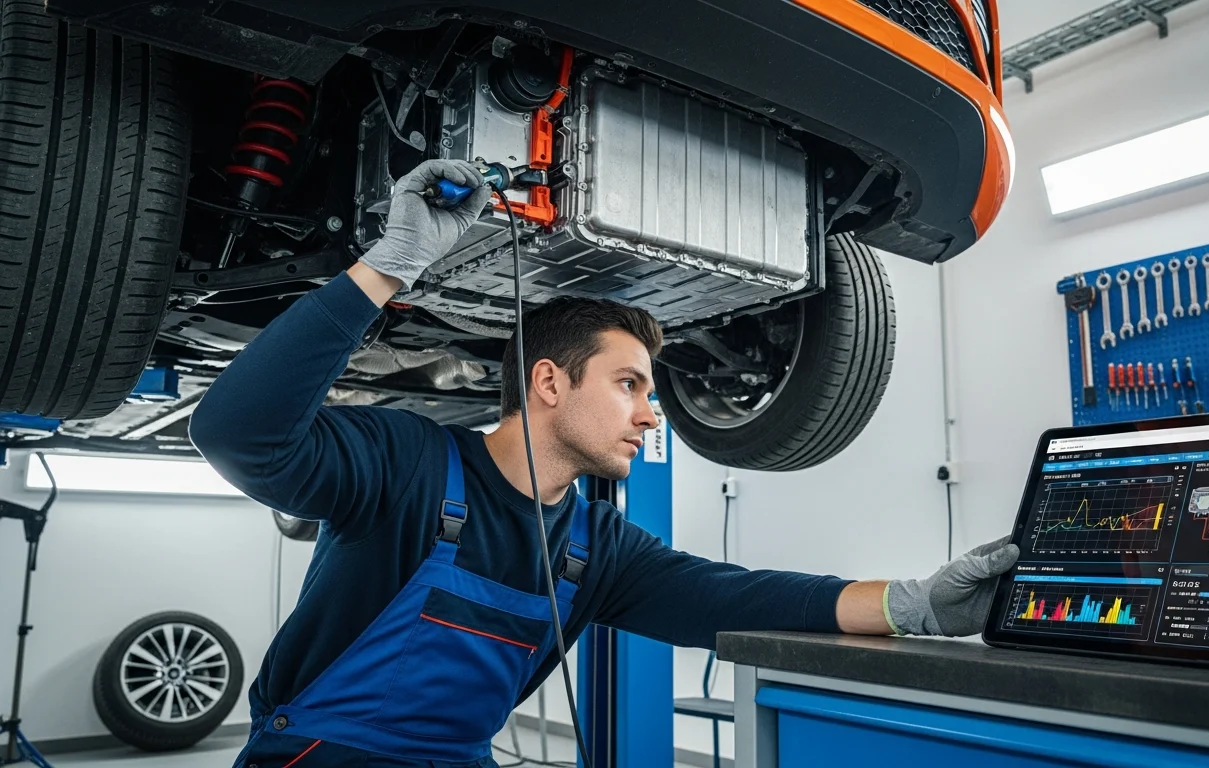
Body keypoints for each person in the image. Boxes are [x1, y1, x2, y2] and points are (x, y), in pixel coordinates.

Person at [189, 160, 1019, 768]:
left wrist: (914, 605)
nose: (653, 412)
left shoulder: (595, 546)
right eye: (629, 384)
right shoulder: (404, 461)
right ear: (548, 382)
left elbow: (733, 596)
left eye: (650, 389)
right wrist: (389, 264)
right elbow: (236, 433)